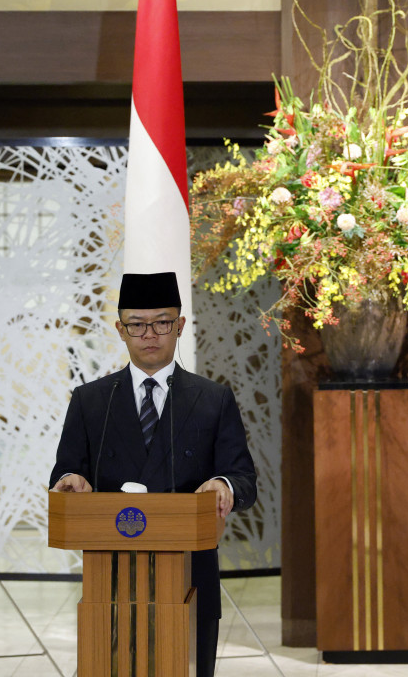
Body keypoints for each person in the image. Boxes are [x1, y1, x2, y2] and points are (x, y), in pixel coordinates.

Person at [49, 271, 257, 677]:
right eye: (137, 325)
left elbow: (243, 478)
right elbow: (65, 470)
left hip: (189, 573)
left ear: (179, 326)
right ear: (120, 330)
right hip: (111, 575)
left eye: (161, 323)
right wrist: (71, 480)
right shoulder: (92, 400)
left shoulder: (212, 399)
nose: (150, 335)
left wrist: (224, 484)